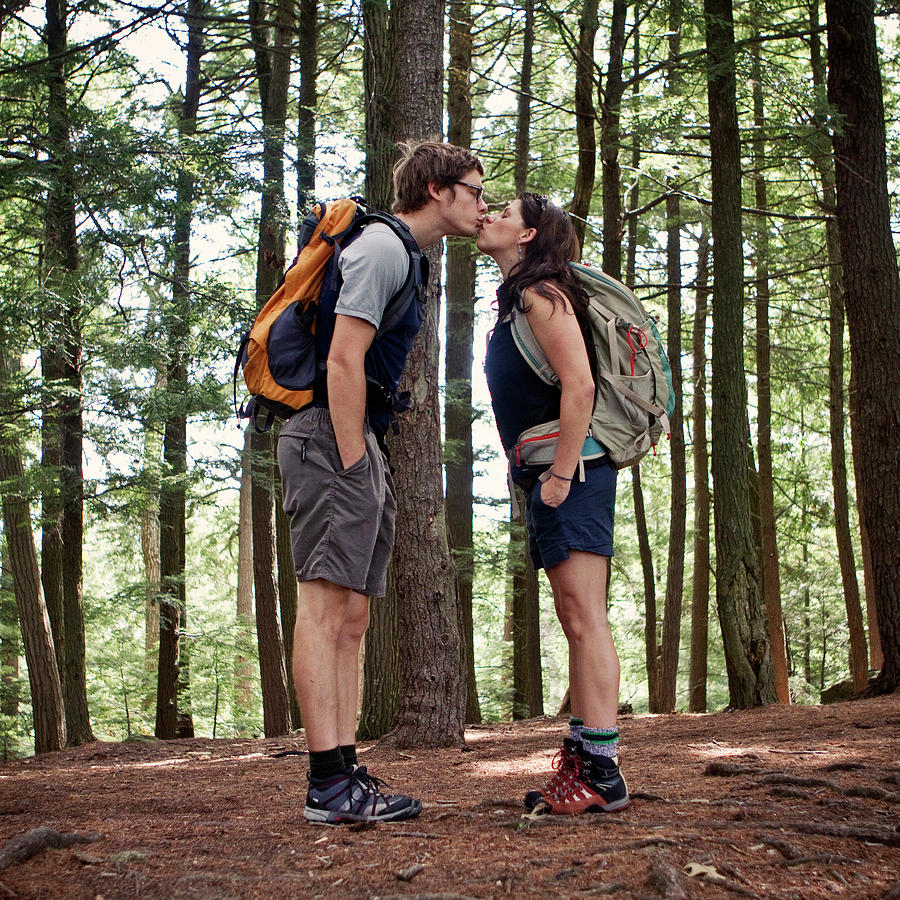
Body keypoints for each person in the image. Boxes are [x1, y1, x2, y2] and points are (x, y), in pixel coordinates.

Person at [277, 142, 487, 825]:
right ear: (436, 189)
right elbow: (342, 360)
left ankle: (342, 770)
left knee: (353, 615)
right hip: (329, 436)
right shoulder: (383, 248)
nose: (482, 204)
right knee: (325, 609)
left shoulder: (402, 254)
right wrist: (351, 459)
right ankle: (326, 784)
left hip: (353, 437)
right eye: (474, 190)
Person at [477, 192, 630, 816]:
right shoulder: (520, 300)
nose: (488, 215)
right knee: (575, 613)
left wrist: (563, 474)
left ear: (529, 234)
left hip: (574, 471)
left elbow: (581, 385)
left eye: (502, 211)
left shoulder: (542, 295)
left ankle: (602, 769)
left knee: (583, 612)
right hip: (552, 471)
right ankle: (583, 753)